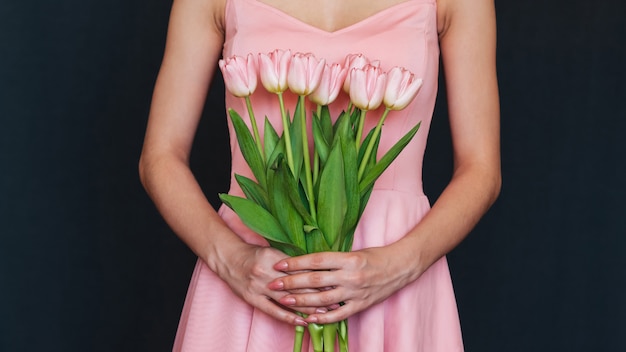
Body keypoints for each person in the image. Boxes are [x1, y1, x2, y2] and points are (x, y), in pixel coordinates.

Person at [139, 0, 500, 350]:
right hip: (258, 277)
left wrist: (400, 265)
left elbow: (481, 169)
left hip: (394, 275)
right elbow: (161, 156)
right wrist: (231, 259)